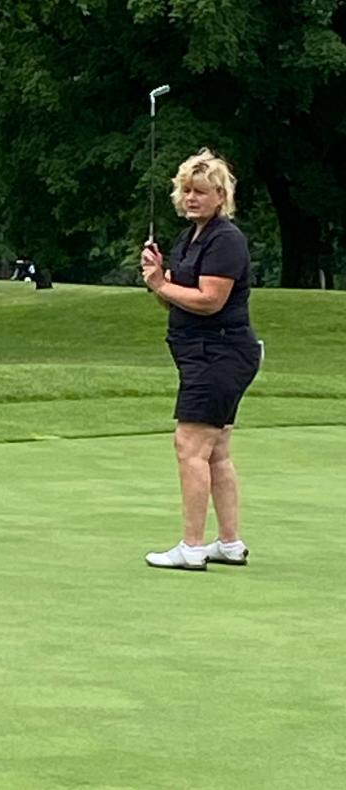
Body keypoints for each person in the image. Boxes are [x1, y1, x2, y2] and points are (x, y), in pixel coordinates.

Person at [140, 148, 261, 571]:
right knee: (216, 450)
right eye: (186, 191)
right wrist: (161, 280)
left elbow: (210, 301)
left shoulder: (225, 239)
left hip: (220, 353)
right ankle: (228, 543)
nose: (191, 198)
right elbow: (179, 301)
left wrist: (160, 283)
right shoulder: (189, 237)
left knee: (189, 445)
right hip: (204, 353)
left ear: (220, 195)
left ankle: (191, 548)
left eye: (201, 191)